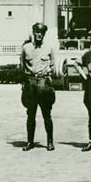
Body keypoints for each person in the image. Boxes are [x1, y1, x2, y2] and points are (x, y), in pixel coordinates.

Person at [20, 23, 56, 151]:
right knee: (31, 115)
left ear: (44, 34)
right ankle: (30, 142)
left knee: (47, 115)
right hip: (30, 84)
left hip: (43, 84)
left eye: (42, 32)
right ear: (33, 32)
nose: (39, 34)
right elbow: (22, 66)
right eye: (37, 32)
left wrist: (48, 74)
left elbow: (53, 66)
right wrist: (24, 85)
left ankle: (50, 142)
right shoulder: (26, 48)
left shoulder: (49, 48)